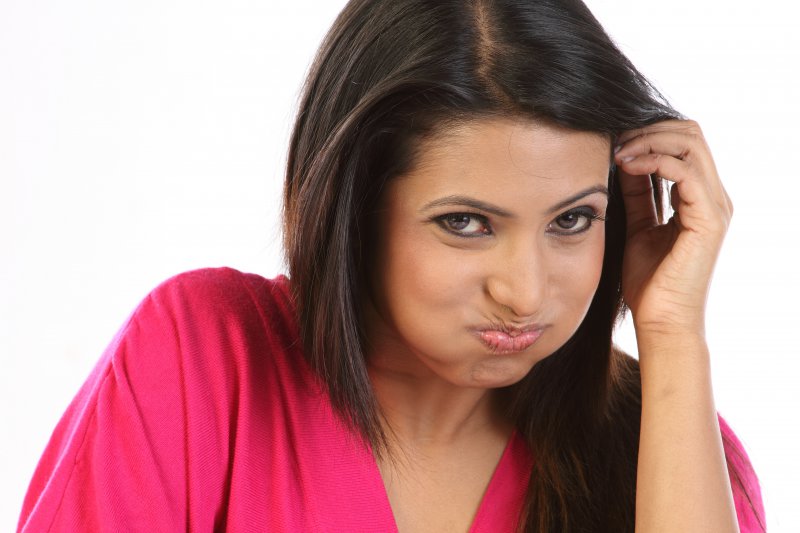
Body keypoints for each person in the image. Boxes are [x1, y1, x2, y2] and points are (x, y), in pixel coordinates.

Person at [18, 0, 765, 531]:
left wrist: (672, 333)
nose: (525, 291)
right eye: (466, 223)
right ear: (355, 208)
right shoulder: (199, 364)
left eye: (572, 220)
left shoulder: (675, 443)